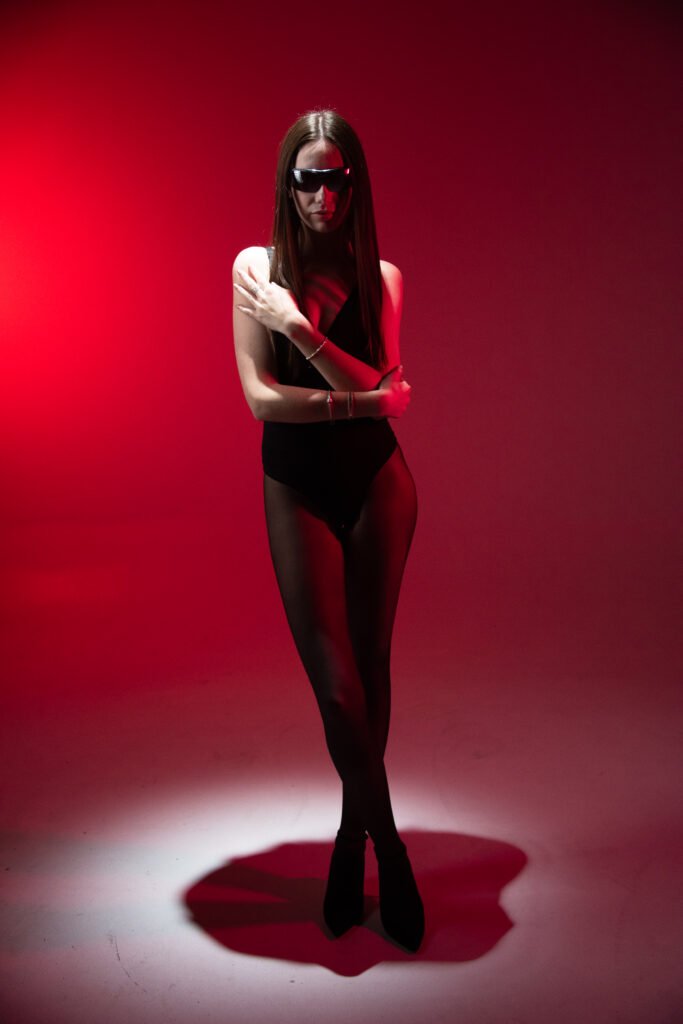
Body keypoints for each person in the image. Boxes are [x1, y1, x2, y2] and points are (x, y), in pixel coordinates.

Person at [232, 109, 424, 952]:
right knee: (339, 689)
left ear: (354, 185)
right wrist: (363, 398)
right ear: (287, 183)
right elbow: (261, 401)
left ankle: (350, 838)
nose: (322, 195)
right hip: (297, 486)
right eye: (308, 178)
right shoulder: (255, 269)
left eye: (336, 178)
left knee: (372, 670)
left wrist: (298, 331)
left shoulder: (381, 277)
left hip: (380, 484)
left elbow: (381, 385)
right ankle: (386, 847)